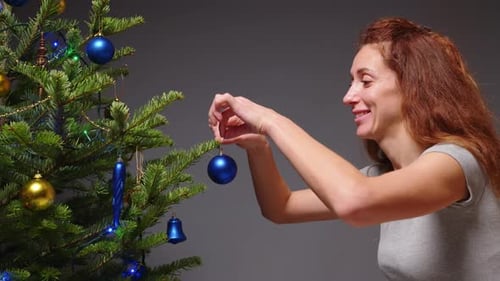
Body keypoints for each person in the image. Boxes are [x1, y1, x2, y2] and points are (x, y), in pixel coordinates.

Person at [207, 17, 500, 280]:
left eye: (366, 81)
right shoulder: (382, 178)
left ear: (414, 87)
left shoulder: (457, 162)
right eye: (352, 82)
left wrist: (270, 120)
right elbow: (280, 208)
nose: (349, 97)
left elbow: (354, 202)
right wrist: (258, 147)